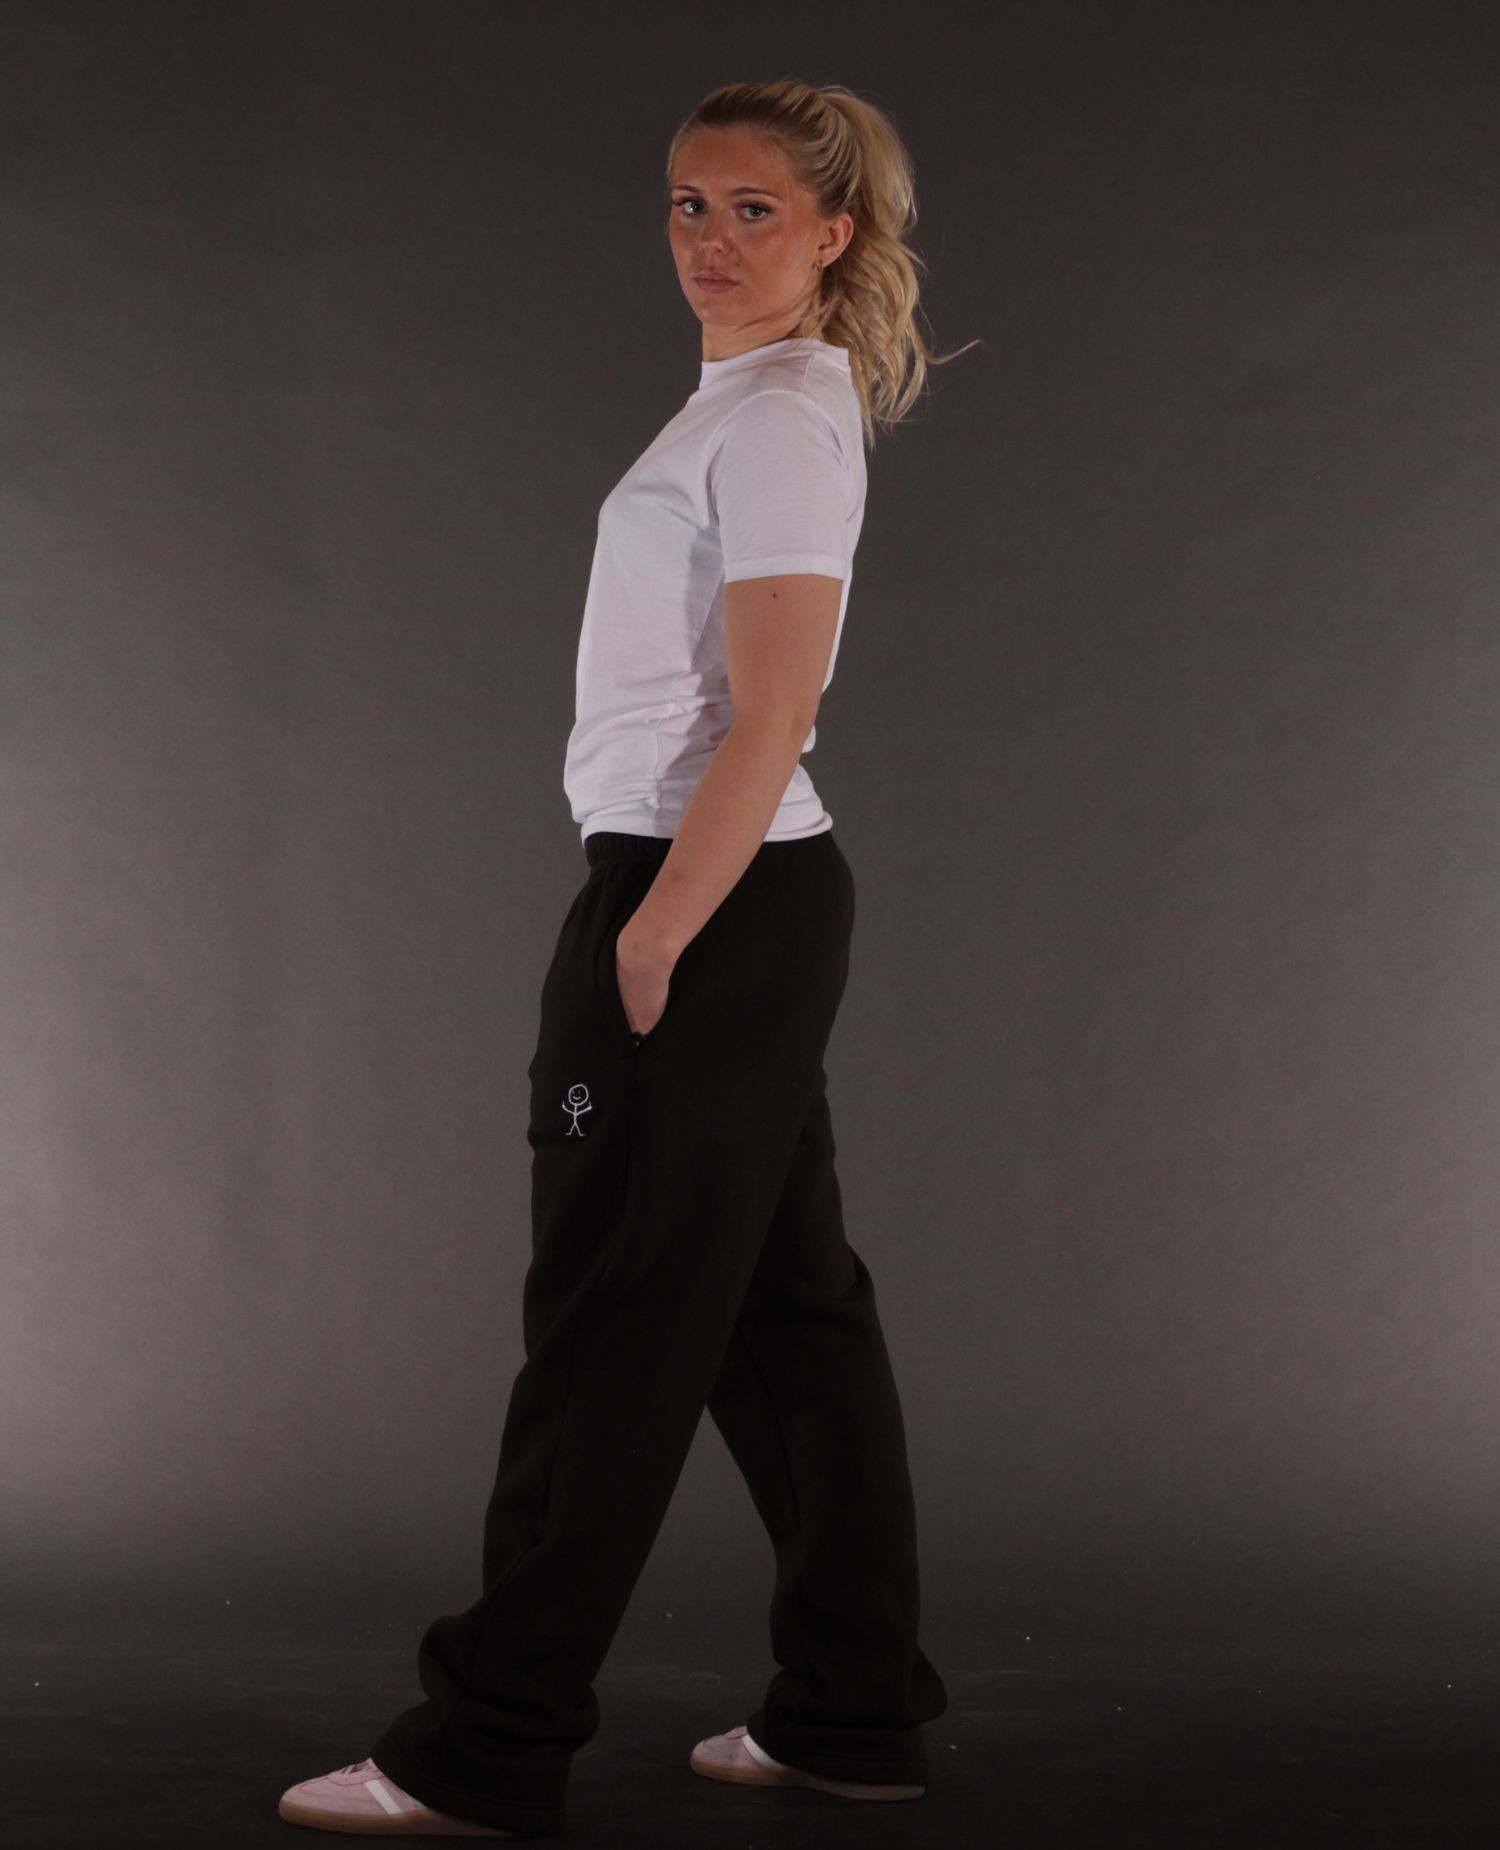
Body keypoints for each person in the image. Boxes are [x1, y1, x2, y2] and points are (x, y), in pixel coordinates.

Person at [279, 76, 971, 1839]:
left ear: (832, 233)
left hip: (705, 892)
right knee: (788, 1317)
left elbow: (775, 709)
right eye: (687, 204)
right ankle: (854, 1707)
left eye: (754, 211)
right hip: (738, 892)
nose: (710, 241)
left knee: (612, 1320)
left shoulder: (785, 417)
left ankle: (486, 1742)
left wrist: (654, 936)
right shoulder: (752, 401)